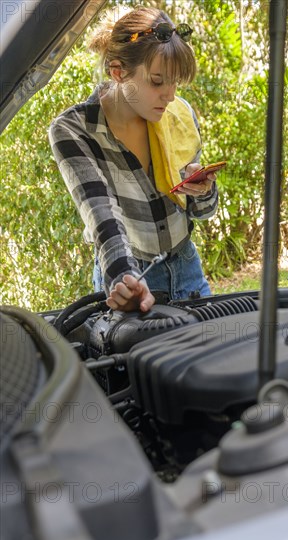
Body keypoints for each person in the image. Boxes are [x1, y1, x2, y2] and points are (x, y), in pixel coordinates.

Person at [48, 6, 219, 313]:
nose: (170, 95)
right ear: (118, 72)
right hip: (131, 275)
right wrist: (125, 282)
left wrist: (203, 189)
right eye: (157, 81)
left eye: (174, 82)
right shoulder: (75, 130)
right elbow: (103, 217)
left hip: (187, 268)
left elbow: (200, 213)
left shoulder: (178, 115)